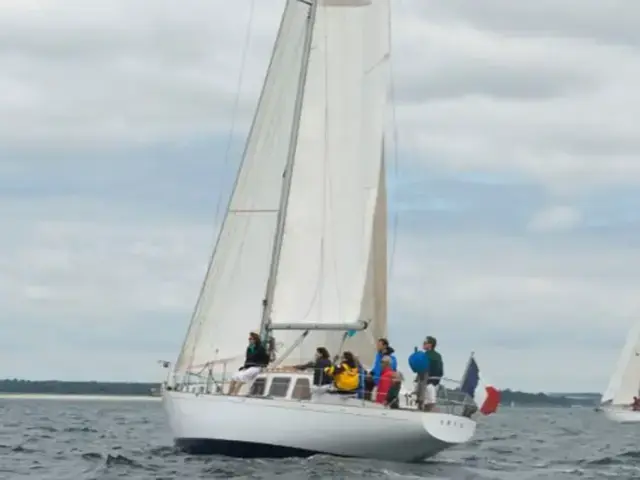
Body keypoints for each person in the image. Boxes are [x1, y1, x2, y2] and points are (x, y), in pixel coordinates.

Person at [423, 336, 444, 411]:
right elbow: (441, 371)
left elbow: (423, 369)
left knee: (428, 402)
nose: (423, 344)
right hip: (436, 382)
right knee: (429, 401)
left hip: (427, 382)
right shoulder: (438, 356)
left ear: (430, 345)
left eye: (425, 343)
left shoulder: (425, 355)